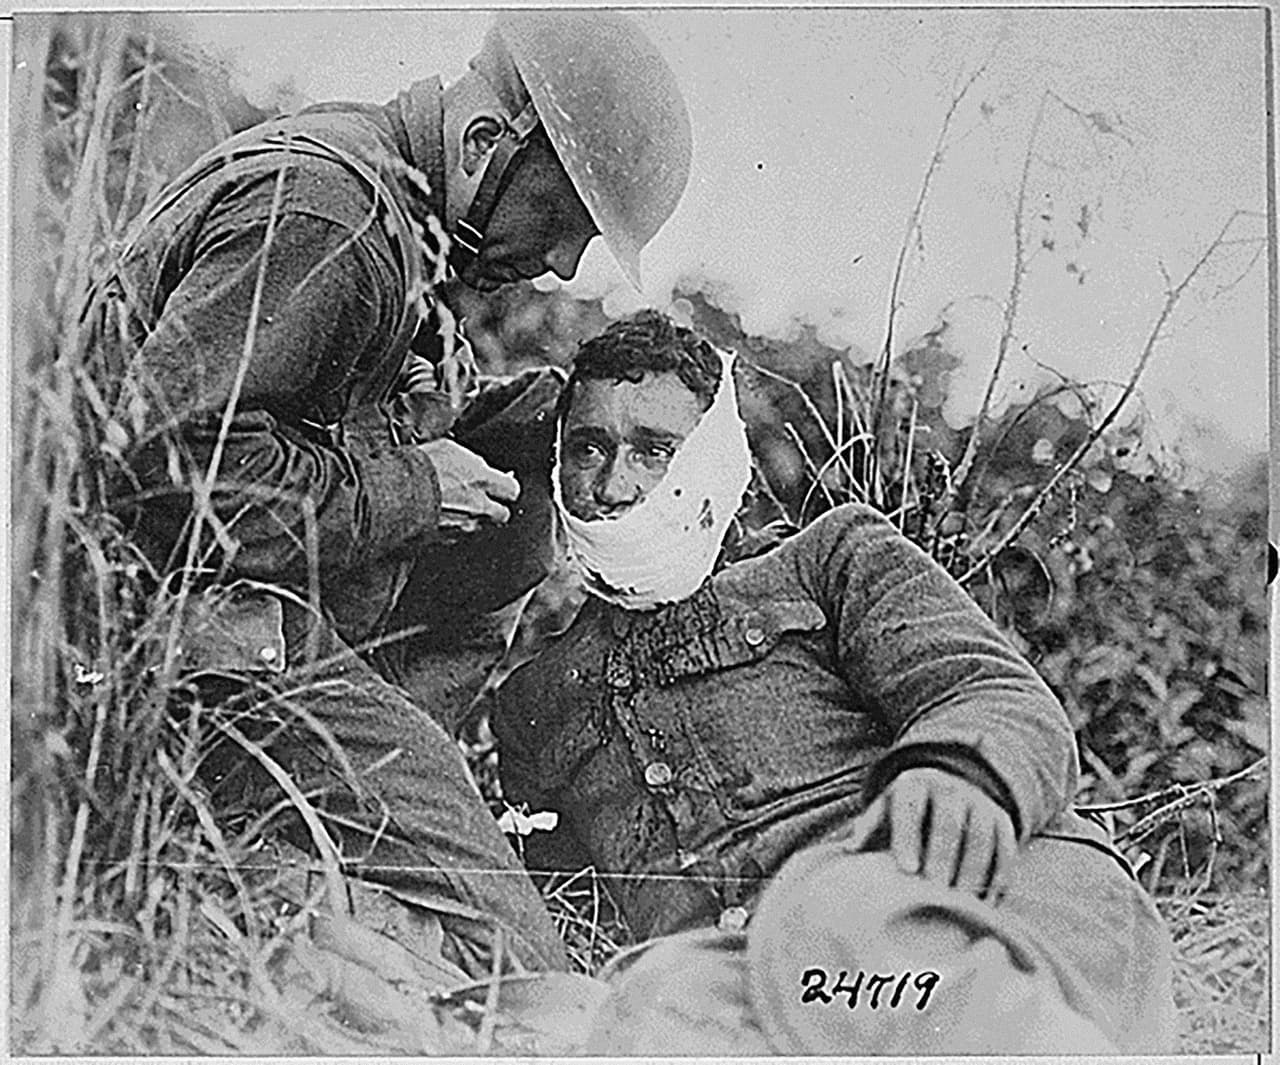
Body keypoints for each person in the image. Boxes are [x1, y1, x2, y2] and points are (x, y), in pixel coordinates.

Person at [81, 12, 691, 975]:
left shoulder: (391, 204)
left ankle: (369, 772)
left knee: (533, 432)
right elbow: (160, 467)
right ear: (490, 144)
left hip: (226, 597)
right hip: (152, 628)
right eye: (564, 224)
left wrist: (438, 413)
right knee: (518, 946)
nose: (566, 267)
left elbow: (275, 414)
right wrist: (415, 487)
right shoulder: (335, 214)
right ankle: (322, 805)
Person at [488, 310, 1176, 1053]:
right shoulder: (536, 699)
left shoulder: (828, 557)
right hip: (755, 974)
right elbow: (554, 882)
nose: (615, 484)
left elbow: (987, 689)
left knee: (840, 913)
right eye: (588, 449)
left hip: (953, 900)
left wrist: (963, 773)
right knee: (648, 1002)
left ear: (713, 460)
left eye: (655, 450)